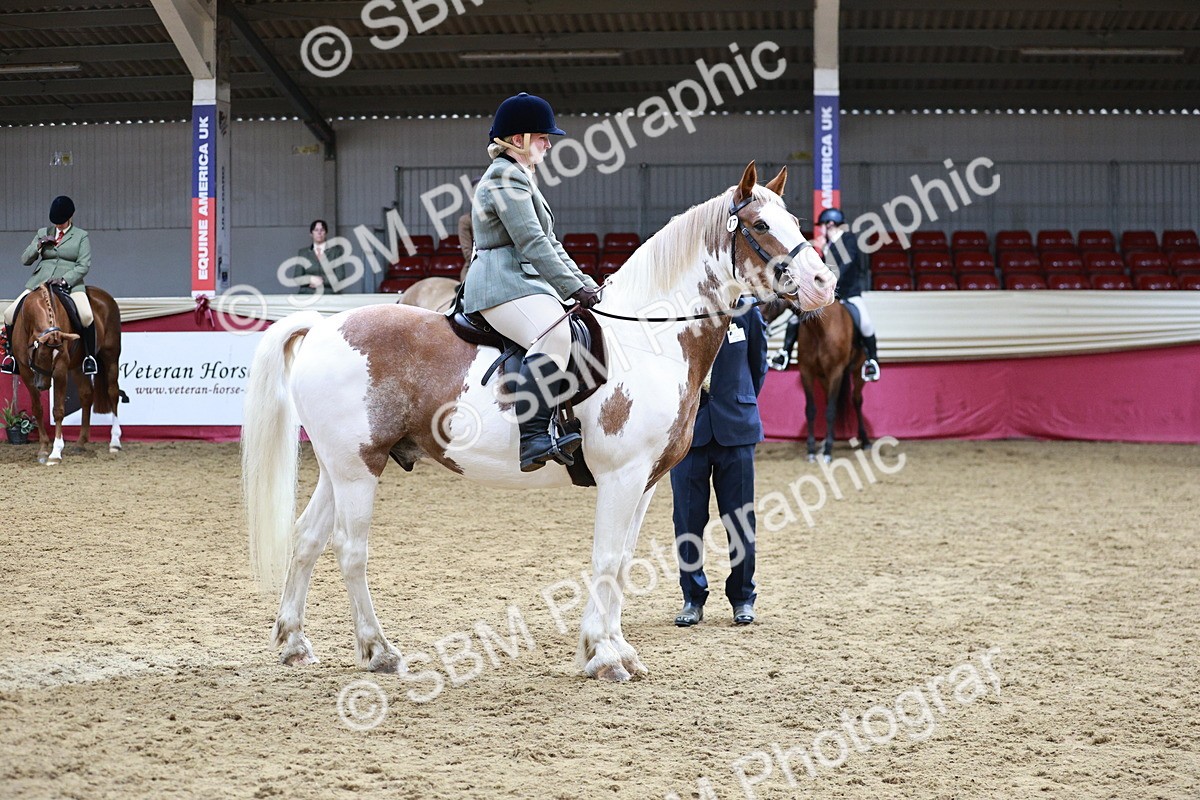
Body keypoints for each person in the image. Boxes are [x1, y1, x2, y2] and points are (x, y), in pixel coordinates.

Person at [462, 92, 602, 473]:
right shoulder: (505, 178)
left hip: (522, 281)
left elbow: (551, 243)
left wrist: (586, 283)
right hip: (500, 282)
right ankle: (535, 436)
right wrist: (573, 289)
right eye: (542, 136)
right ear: (518, 139)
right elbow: (532, 242)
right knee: (554, 333)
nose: (548, 143)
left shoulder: (522, 177)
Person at [671, 299, 767, 627]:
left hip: (737, 430)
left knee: (740, 522)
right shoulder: (678, 312)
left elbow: (758, 366)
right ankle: (692, 597)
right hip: (687, 433)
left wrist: (738, 401)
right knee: (687, 520)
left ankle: (742, 597)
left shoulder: (748, 311)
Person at [770, 207, 881, 381]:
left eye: (822, 225)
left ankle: (872, 362)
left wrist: (830, 282)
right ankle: (785, 352)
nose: (821, 229)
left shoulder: (848, 240)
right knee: (794, 317)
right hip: (830, 297)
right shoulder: (827, 246)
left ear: (830, 224)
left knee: (866, 324)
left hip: (848, 295)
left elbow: (847, 265)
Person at [2, 196, 97, 376]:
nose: (59, 226)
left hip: (69, 285)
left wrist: (65, 280)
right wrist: (39, 245)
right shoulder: (43, 233)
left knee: (86, 316)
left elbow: (83, 265)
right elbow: (24, 260)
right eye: (56, 223)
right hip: (40, 283)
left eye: (62, 222)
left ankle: (89, 358)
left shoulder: (81, 236)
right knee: (8, 314)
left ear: (70, 217)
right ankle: (13, 357)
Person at [292, 219, 343, 294]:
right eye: (316, 230)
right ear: (311, 234)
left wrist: (321, 281)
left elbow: (340, 277)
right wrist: (310, 279)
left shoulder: (336, 252)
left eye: (322, 230)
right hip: (307, 295)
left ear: (326, 233)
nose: (319, 233)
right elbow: (297, 278)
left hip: (329, 294)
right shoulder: (303, 253)